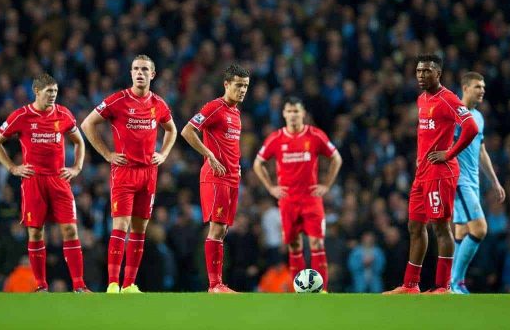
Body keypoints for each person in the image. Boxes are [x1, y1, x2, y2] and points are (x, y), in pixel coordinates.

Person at [81, 55, 177, 294]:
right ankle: (113, 283)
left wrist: (163, 154)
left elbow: (172, 130)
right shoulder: (118, 100)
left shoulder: (159, 104)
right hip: (124, 172)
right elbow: (87, 124)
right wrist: (107, 154)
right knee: (120, 226)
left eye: (144, 69)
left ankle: (129, 284)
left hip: (149, 173)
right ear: (131, 73)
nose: (139, 73)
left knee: (139, 229)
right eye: (135, 69)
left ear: (152, 74)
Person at [384, 54, 479, 294]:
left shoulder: (448, 99)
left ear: (438, 73)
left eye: (426, 71)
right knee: (415, 227)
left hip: (441, 173)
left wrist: (449, 153)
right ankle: (410, 285)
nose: (421, 75)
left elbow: (471, 127)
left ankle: (443, 287)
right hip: (422, 173)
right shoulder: (422, 99)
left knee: (441, 228)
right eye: (418, 71)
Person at [0, 73, 90, 292]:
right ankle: (41, 286)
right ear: (36, 92)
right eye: (49, 92)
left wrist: (77, 168)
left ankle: (80, 285)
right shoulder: (22, 115)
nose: (53, 95)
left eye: (55, 91)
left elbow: (79, 142)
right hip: (33, 181)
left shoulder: (63, 114)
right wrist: (13, 168)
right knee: (35, 232)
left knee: (71, 230)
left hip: (59, 180)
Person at [253, 96, 342, 291]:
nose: (293, 115)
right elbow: (257, 163)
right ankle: (299, 290)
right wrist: (271, 188)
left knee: (317, 243)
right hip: (288, 200)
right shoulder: (276, 138)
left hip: (311, 199)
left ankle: (322, 290)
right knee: (294, 246)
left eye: (296, 111)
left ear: (303, 114)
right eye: (290, 111)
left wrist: (326, 184)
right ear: (284, 114)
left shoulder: (315, 135)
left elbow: (336, 158)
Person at [180, 63, 250, 293]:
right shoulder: (215, 107)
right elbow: (187, 130)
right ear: (226, 84)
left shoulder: (235, 113)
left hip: (231, 177)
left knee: (223, 230)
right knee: (216, 228)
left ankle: (218, 283)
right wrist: (208, 154)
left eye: (245, 86)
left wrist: (236, 165)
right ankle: (214, 285)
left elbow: (230, 146)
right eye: (238, 85)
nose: (242, 90)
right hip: (215, 176)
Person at [450, 72, 506, 294]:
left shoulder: (479, 117)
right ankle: (457, 281)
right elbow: (444, 144)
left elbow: (481, 151)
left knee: (463, 231)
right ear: (465, 88)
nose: (482, 90)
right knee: (480, 229)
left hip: (474, 182)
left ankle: (449, 283)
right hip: (460, 181)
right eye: (477, 86)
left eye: (483, 86)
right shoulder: (455, 114)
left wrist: (494, 181)